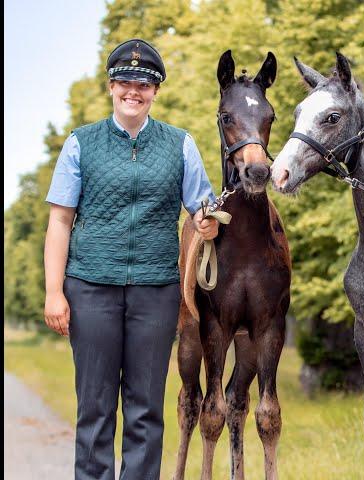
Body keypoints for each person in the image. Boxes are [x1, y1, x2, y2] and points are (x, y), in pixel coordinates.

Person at [43, 38, 218, 479]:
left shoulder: (180, 144)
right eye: (125, 82)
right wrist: (53, 293)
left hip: (155, 291)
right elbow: (60, 221)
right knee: (95, 408)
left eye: (143, 83)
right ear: (111, 87)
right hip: (90, 289)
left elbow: (202, 207)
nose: (133, 91)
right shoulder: (81, 144)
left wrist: (207, 221)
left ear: (156, 90)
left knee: (145, 411)